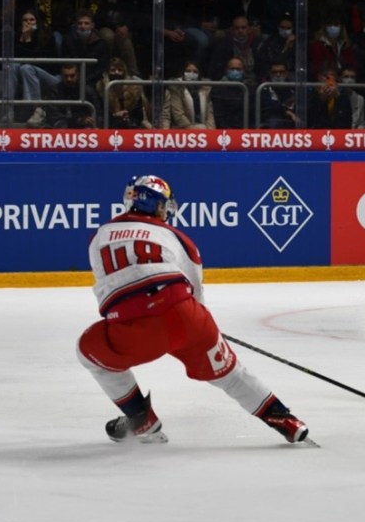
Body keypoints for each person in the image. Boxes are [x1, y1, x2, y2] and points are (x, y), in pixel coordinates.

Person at [76, 175, 311, 445]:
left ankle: (141, 420)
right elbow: (195, 292)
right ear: (159, 206)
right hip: (186, 317)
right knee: (231, 374)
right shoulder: (177, 238)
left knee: (88, 352)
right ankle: (285, 420)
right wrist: (201, 329)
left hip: (135, 327)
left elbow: (110, 290)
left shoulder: (99, 237)